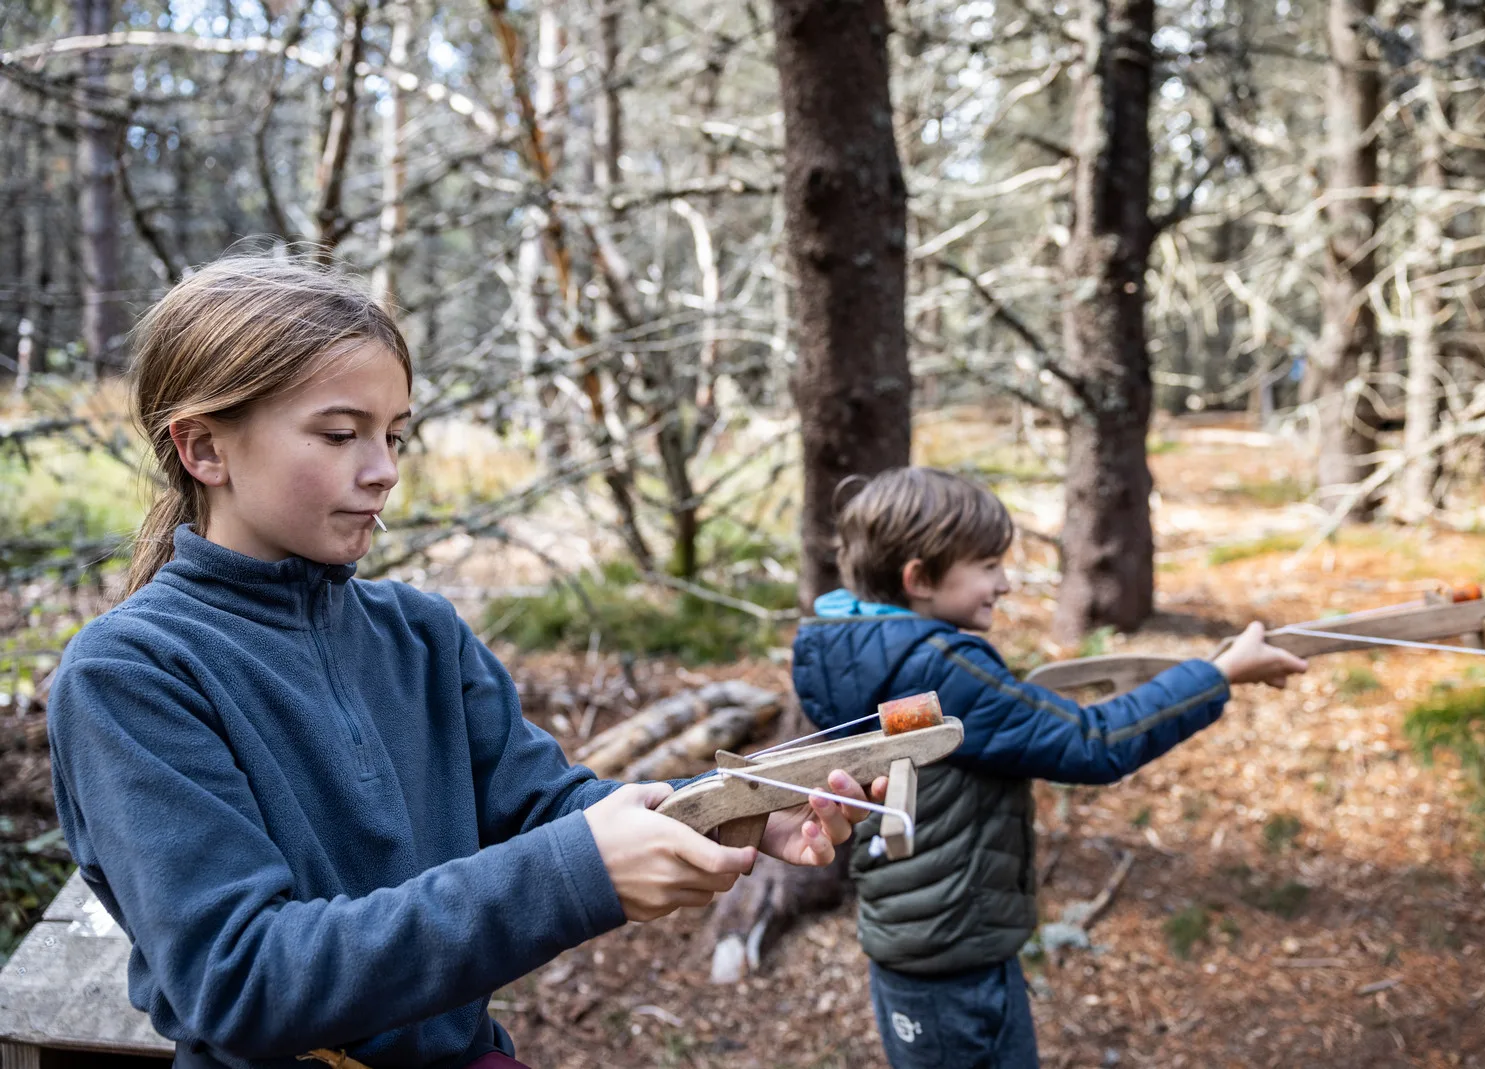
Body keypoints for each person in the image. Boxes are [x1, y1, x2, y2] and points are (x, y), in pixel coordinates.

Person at [46, 255, 883, 1069]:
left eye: (395, 435)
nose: (383, 472)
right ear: (203, 449)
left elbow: (548, 807)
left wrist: (732, 810)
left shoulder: (420, 635)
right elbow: (242, 979)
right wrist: (576, 871)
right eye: (340, 434)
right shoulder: (132, 675)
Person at [791, 467, 1307, 1069]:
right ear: (918, 577)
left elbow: (980, 734)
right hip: (950, 959)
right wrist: (1217, 676)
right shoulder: (939, 667)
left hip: (934, 940)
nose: (1005, 583)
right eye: (987, 565)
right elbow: (1093, 742)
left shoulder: (859, 651)